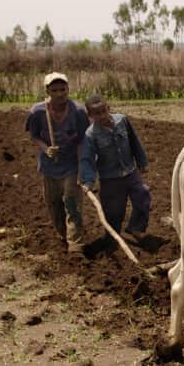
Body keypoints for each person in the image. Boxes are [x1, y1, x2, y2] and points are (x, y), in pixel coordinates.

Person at [24, 72, 89, 253]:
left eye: (63, 89)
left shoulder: (78, 111)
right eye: (55, 90)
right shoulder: (37, 112)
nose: (60, 94)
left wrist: (82, 167)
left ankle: (75, 244)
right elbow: (34, 136)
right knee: (54, 204)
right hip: (49, 166)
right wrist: (46, 149)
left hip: (71, 165)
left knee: (72, 203)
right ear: (47, 91)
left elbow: (83, 140)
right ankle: (63, 234)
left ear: (68, 89)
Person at [80, 94, 151, 248]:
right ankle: (112, 238)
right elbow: (87, 159)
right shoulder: (91, 135)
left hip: (130, 172)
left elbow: (134, 141)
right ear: (90, 116)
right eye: (96, 114)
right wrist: (88, 181)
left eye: (103, 111)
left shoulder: (122, 120)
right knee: (114, 212)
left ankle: (135, 227)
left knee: (143, 195)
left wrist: (142, 161)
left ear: (109, 108)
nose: (101, 116)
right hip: (110, 179)